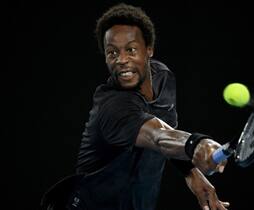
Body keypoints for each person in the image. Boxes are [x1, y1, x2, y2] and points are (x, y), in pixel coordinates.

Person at [41, 3, 230, 210]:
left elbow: (167, 131)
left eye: (131, 50)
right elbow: (157, 136)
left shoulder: (163, 78)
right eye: (112, 53)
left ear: (149, 49)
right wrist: (196, 144)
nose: (121, 60)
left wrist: (192, 173)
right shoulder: (112, 107)